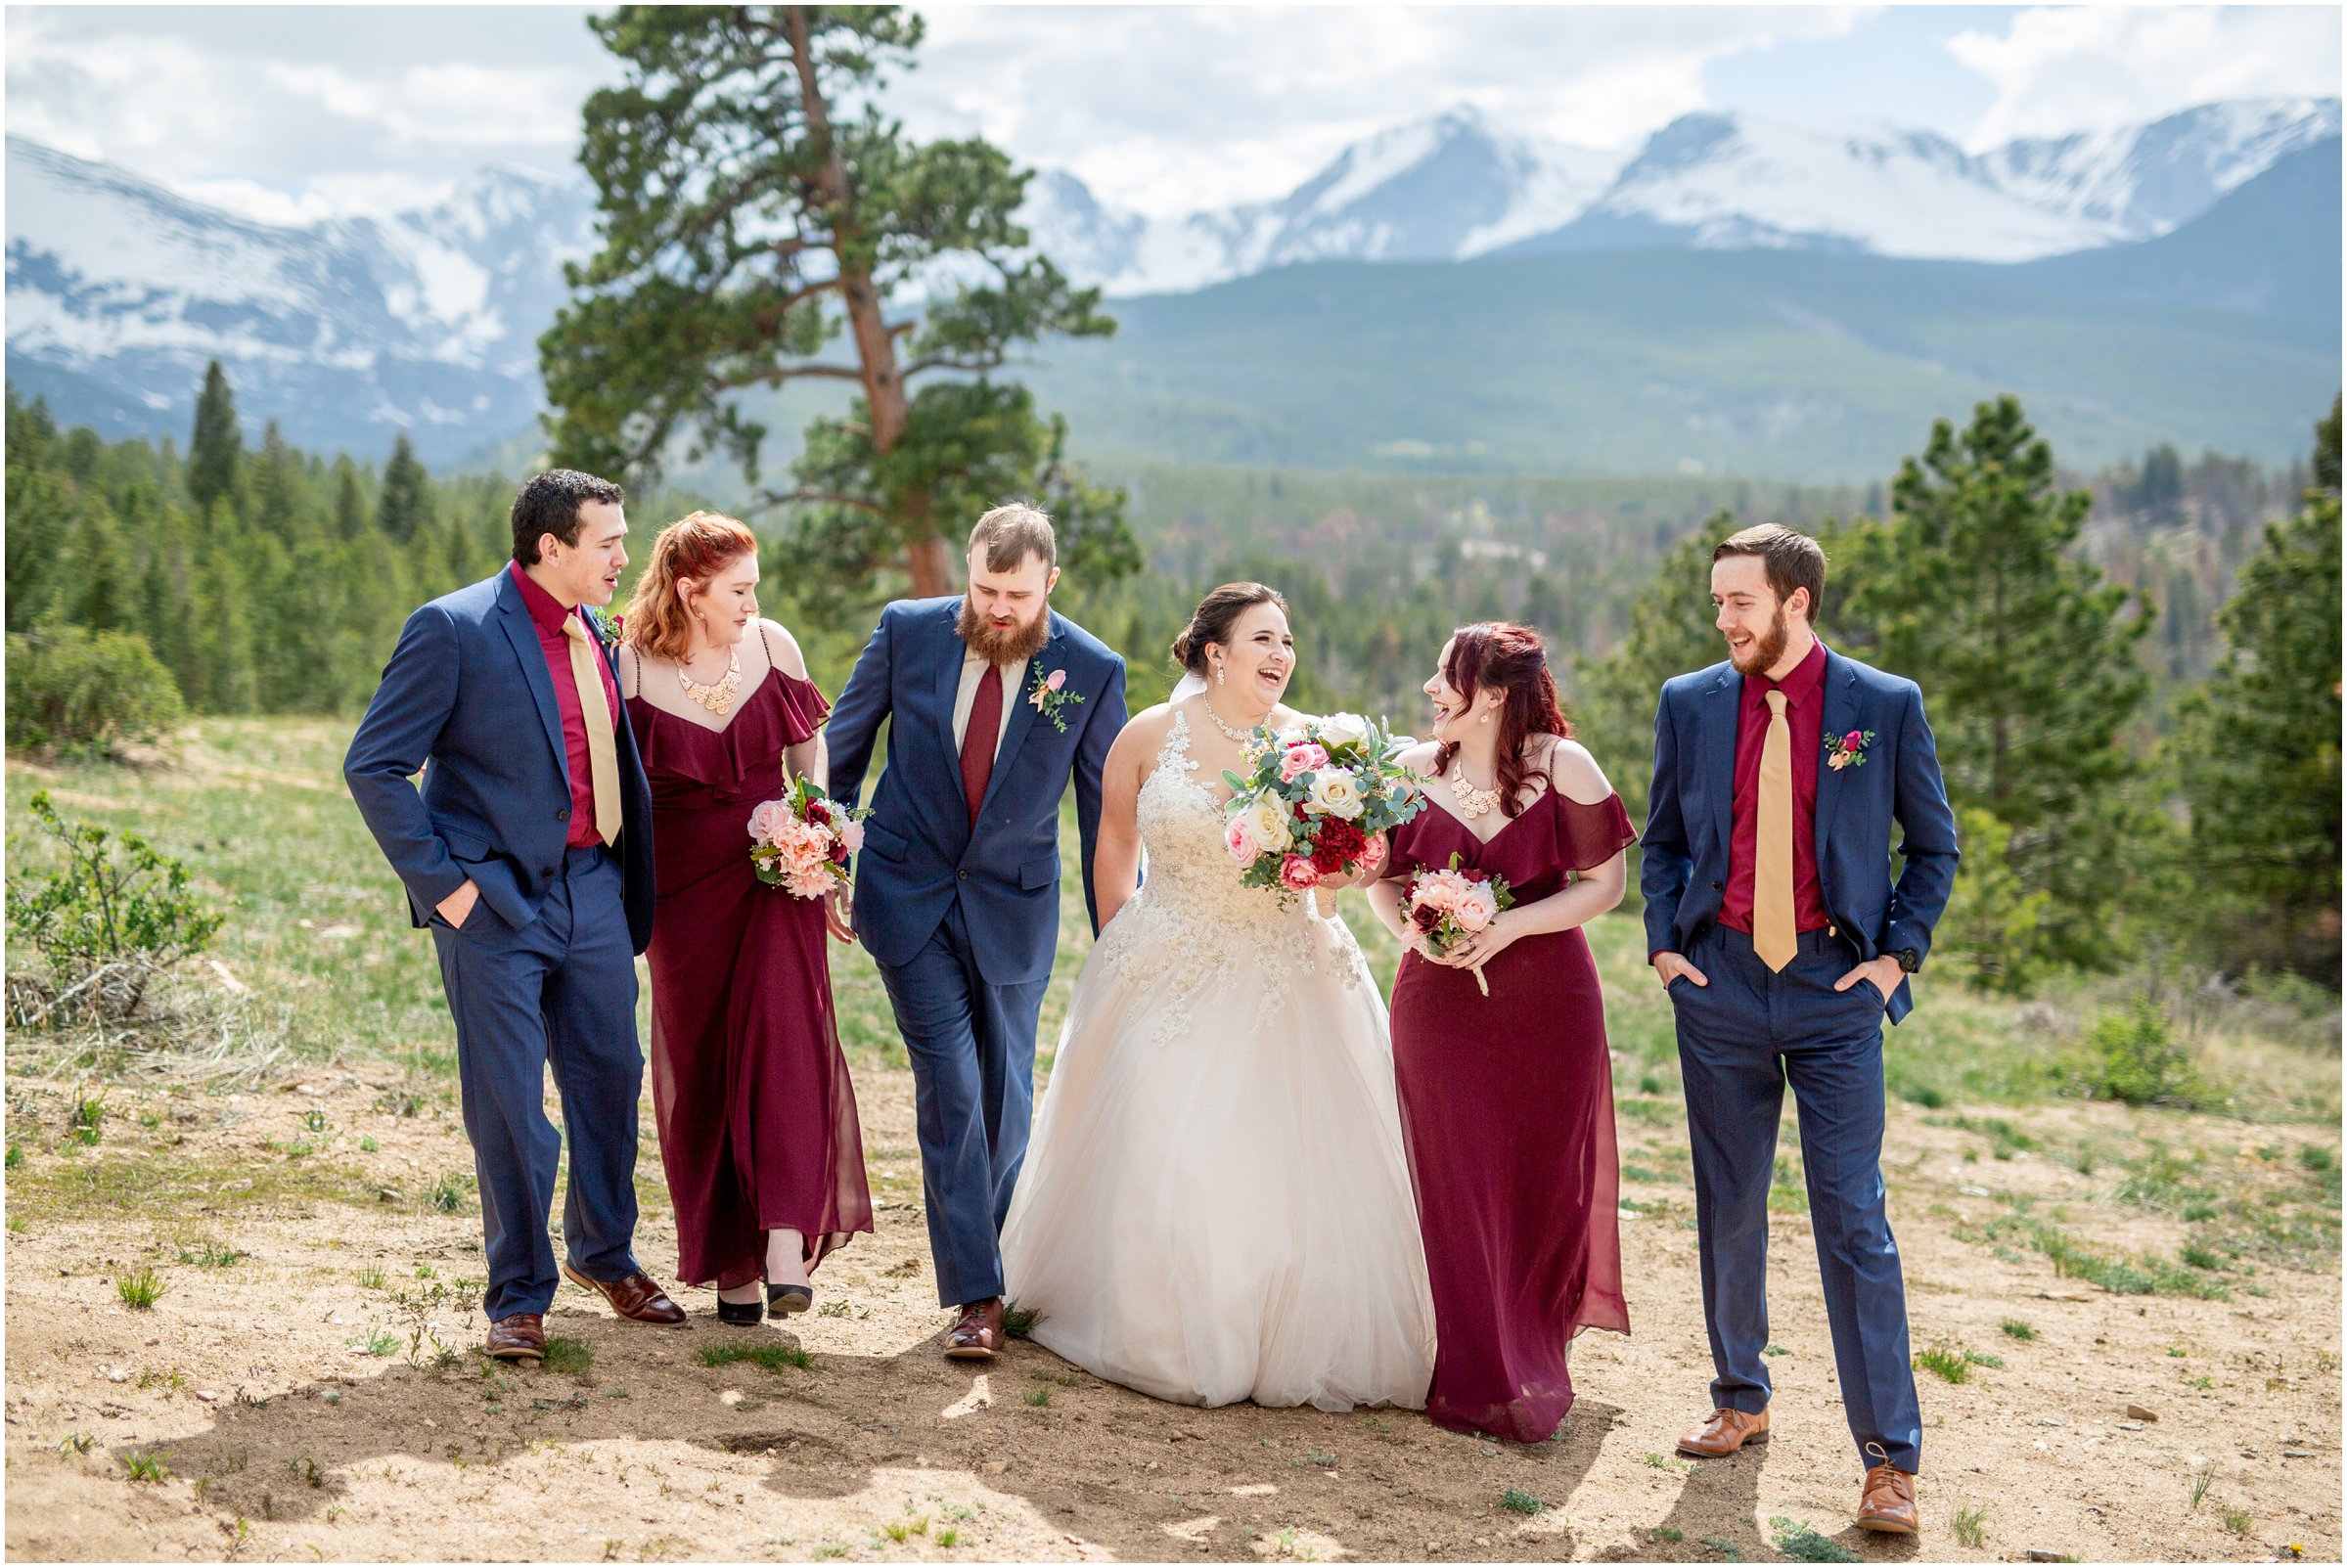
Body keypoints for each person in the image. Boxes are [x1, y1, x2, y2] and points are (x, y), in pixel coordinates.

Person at [998, 583, 1436, 1411]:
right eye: (1264, 638)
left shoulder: (1314, 747)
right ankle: (1164, 1326)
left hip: (1285, 964)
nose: (1281, 655)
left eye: (1289, 641)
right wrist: (1121, 939)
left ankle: (1277, 1328)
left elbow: (1364, 854)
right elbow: (1116, 840)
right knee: (1167, 1135)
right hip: (1167, 954)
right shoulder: (1149, 736)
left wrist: (1345, 864)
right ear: (1215, 652)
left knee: (1281, 1150)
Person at [1642, 523, 1960, 1534]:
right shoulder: (1688, 703)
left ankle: (1887, 1462)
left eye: (1738, 601)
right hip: (1721, 983)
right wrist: (1665, 949)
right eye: (1716, 601)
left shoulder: (1881, 704)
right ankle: (1739, 1398)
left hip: (1833, 990)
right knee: (1726, 1201)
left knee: (1850, 1217)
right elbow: (1662, 842)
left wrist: (1891, 959)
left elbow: (1932, 847)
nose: (1721, 619)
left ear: (1795, 603)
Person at [343, 470, 685, 1366]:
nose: (622, 556)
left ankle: (604, 1257)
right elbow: (374, 765)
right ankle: (519, 1294)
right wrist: (446, 891)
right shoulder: (452, 629)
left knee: (611, 1080)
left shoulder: (596, 630)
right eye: (607, 542)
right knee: (511, 1108)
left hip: (595, 890)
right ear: (551, 548)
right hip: (492, 905)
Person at [824, 503, 1129, 1360]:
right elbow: (842, 751)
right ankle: (977, 1294)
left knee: (1006, 1102)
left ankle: (997, 1252)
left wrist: (1121, 935)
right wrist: (822, 855)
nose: (998, 608)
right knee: (951, 1089)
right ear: (966, 570)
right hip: (905, 895)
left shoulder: (1091, 669)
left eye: (1017, 595)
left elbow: (1105, 816)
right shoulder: (906, 631)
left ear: (1050, 585)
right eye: (986, 587)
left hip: (1014, 909)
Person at [1367, 623, 1635, 1443]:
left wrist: (1512, 928)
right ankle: (1466, 1360)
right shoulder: (1411, 772)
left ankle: (1530, 1346)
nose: (1428, 691)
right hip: (1436, 1002)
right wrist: (1412, 933)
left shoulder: (1565, 767)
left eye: (1443, 677)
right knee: (1447, 1169)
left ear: (1490, 692)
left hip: (1546, 1000)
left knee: (1537, 1177)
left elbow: (1605, 883)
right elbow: (1382, 880)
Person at [617, 512, 873, 1324]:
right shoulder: (626, 663)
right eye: (737, 589)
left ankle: (785, 1245)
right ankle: (732, 1267)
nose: (751, 601)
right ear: (691, 591)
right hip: (680, 898)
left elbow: (810, 759)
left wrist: (820, 846)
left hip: (776, 882)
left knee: (786, 1044)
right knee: (701, 1070)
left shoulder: (774, 647)